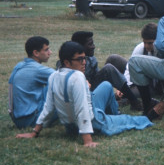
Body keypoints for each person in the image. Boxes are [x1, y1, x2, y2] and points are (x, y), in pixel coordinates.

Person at [16, 41, 154, 148]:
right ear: (67, 62)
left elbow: (48, 107)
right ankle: (132, 118)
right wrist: (87, 140)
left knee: (106, 86)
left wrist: (35, 132)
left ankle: (114, 116)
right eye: (80, 59)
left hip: (70, 127)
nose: (84, 63)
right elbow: (82, 108)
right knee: (132, 121)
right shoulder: (77, 77)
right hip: (92, 122)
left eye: (84, 58)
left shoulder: (54, 76)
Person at [62, 31, 142, 111]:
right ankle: (124, 100)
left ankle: (131, 100)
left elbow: (100, 80)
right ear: (80, 47)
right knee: (108, 69)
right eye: (90, 44)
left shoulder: (91, 60)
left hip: (91, 90)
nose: (93, 47)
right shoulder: (68, 63)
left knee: (109, 67)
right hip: (79, 96)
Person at [124, 22, 164, 101]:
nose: (146, 46)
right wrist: (126, 86)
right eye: (144, 42)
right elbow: (129, 68)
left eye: (150, 43)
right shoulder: (140, 48)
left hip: (157, 85)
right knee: (113, 59)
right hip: (142, 80)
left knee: (130, 93)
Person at [8, 36, 56, 128]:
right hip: (31, 120)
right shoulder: (38, 69)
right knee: (63, 94)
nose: (50, 52)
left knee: (50, 86)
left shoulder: (19, 65)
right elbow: (64, 79)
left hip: (17, 119)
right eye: (46, 50)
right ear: (36, 53)